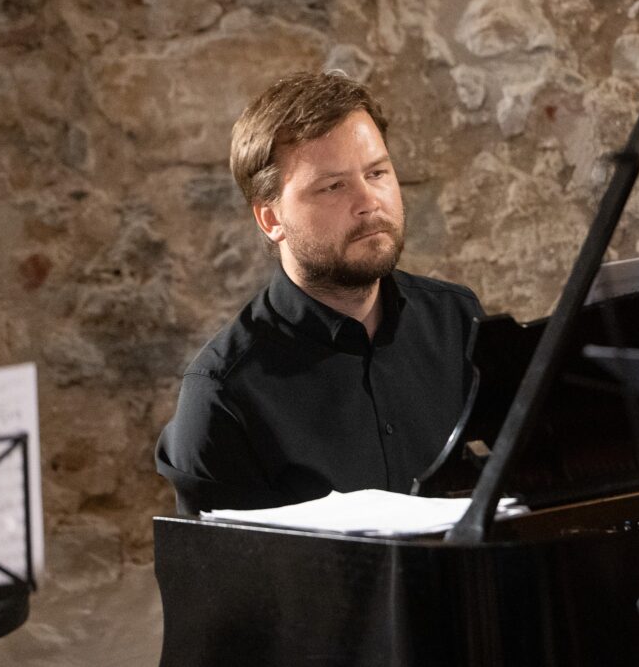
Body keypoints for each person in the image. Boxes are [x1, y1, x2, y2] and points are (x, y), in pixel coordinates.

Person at [155, 71, 483, 514]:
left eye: (377, 172)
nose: (369, 201)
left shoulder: (458, 321)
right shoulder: (223, 395)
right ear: (271, 219)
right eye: (333, 186)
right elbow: (222, 561)